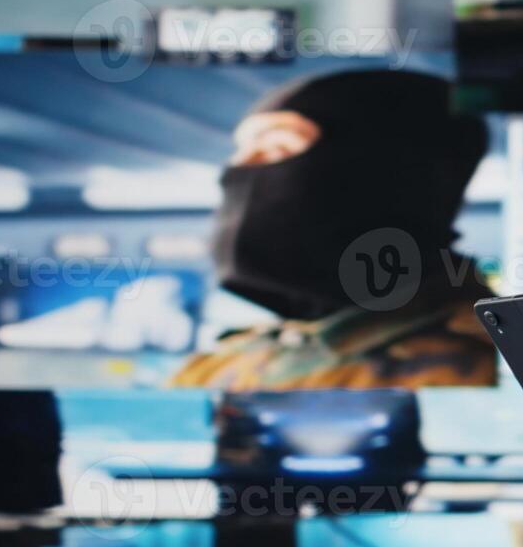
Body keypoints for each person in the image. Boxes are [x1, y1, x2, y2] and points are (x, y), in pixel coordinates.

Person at [170, 70, 497, 391]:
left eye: (277, 150)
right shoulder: (218, 364)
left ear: (388, 175)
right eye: (241, 154)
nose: (236, 173)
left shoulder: (501, 365)